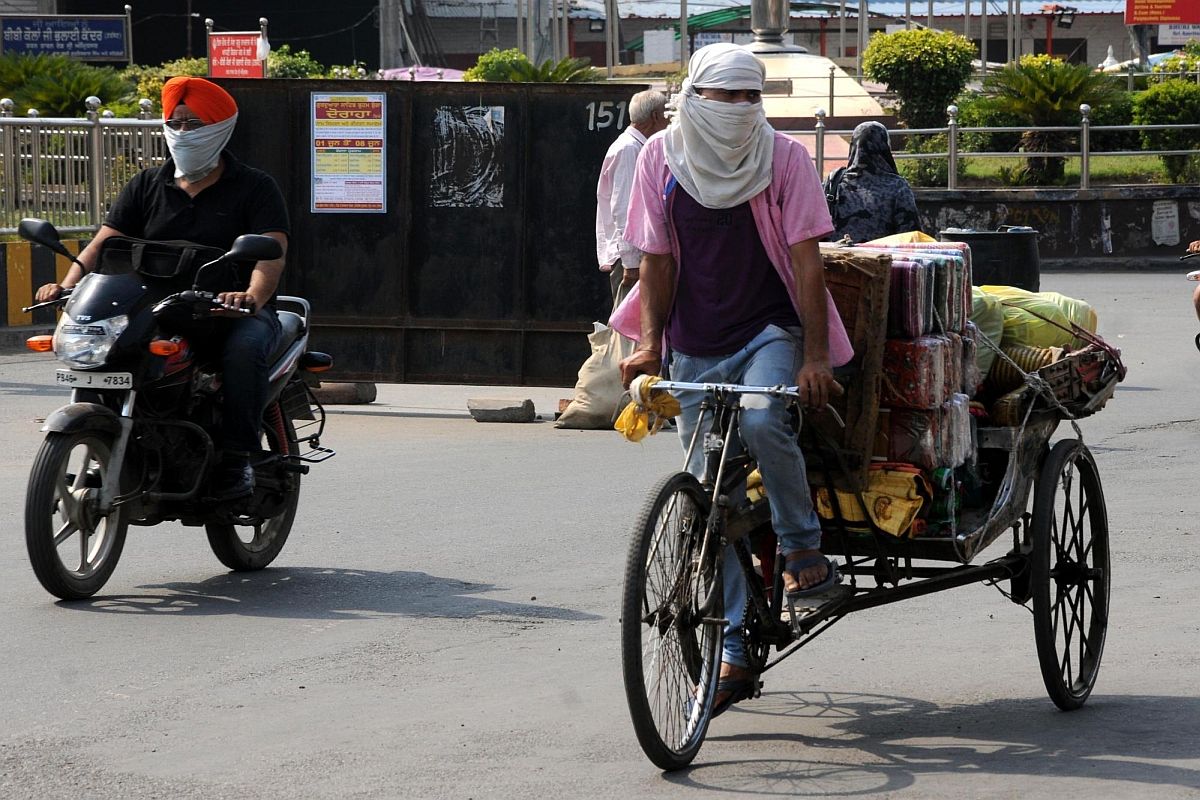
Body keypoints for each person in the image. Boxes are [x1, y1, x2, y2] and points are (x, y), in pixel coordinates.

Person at [617, 43, 853, 716]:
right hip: (694, 343)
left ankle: (805, 552)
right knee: (705, 497)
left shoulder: (784, 158)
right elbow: (655, 261)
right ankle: (734, 649)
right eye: (729, 97)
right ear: (695, 97)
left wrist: (813, 357)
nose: (744, 109)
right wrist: (651, 344)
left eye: (754, 97)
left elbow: (808, 264)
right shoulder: (660, 159)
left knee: (759, 417)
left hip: (768, 332)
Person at [35, 76, 290, 500]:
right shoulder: (146, 185)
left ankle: (237, 460)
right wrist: (66, 286)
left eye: (195, 123)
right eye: (176, 122)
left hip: (226, 310)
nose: (184, 132)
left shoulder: (255, 186)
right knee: (109, 352)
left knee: (243, 352)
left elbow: (272, 253)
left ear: (220, 127)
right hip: (154, 307)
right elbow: (103, 244)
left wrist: (250, 297)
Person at [595, 90, 668, 301]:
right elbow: (624, 208)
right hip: (631, 259)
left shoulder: (636, 147)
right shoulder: (629, 150)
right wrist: (631, 263)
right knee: (627, 330)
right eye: (665, 116)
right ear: (655, 117)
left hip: (636, 256)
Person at [824, 120, 922, 243]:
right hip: (881, 260)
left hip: (837, 260)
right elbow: (911, 238)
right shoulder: (897, 187)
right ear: (885, 147)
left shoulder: (834, 182)